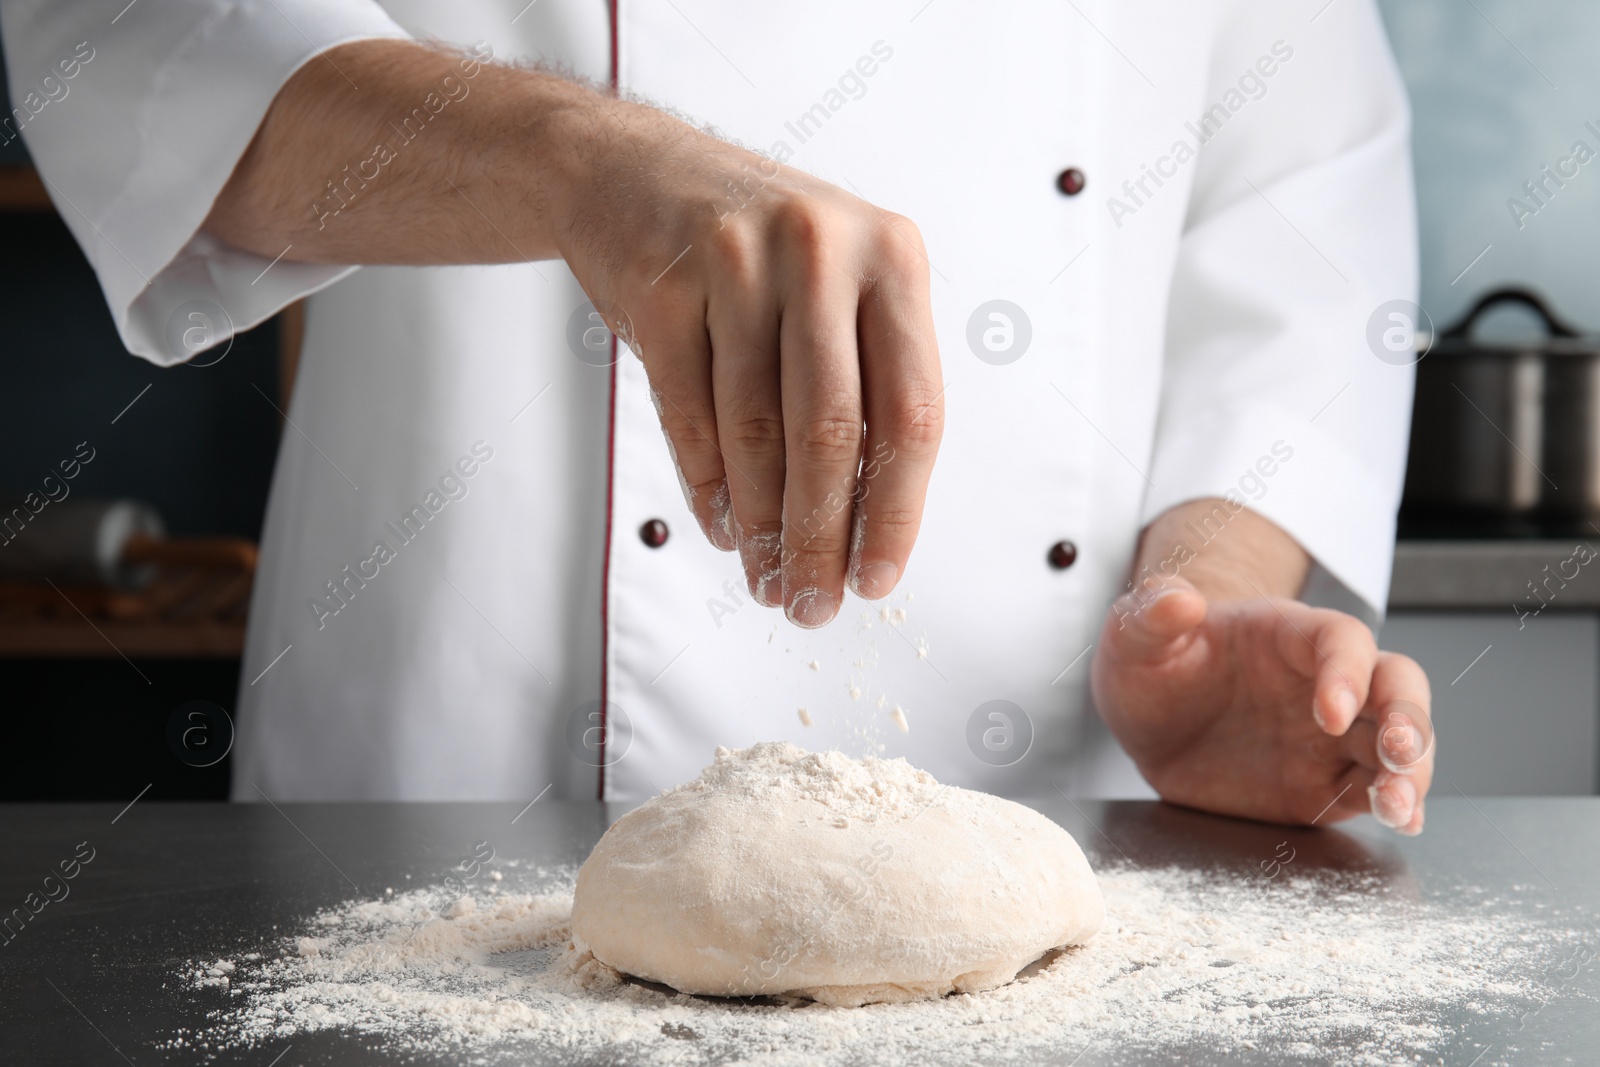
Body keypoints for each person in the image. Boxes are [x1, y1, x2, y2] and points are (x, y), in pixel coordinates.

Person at [4, 0, 1433, 833]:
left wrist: (1201, 606)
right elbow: (137, 41)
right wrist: (577, 159)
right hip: (453, 799)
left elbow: (1304, 219)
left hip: (1044, 816)